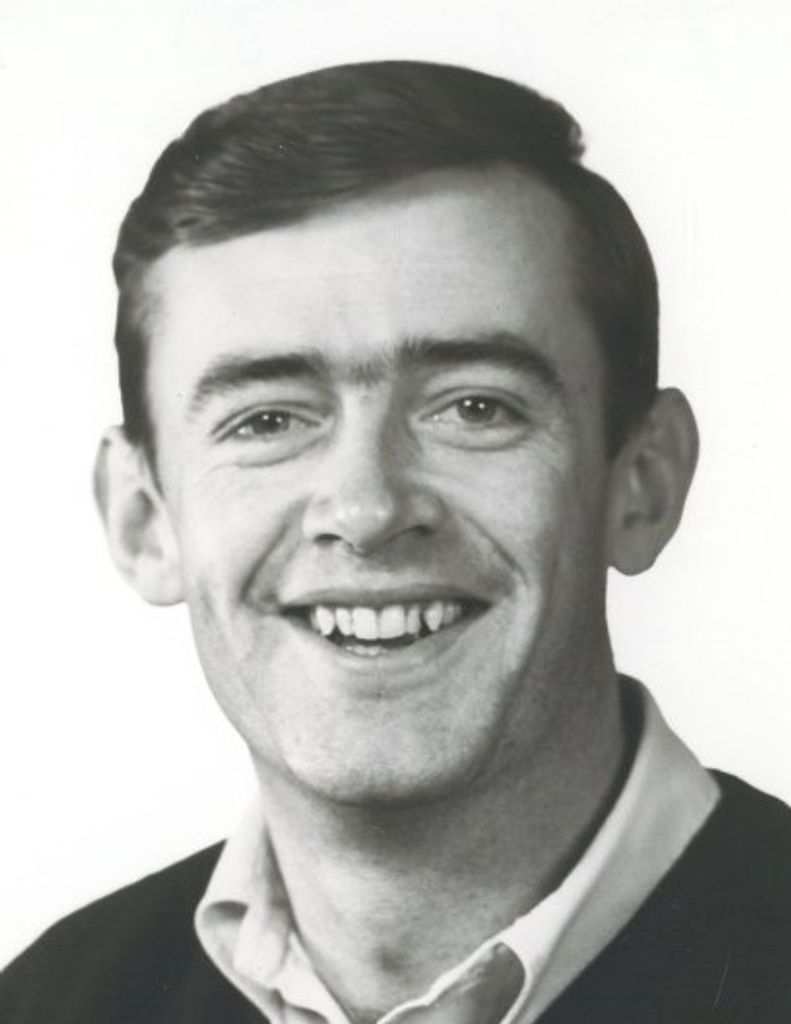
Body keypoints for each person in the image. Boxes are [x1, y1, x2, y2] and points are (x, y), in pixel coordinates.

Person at [1, 60, 789, 1024]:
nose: (367, 509)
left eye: (474, 408)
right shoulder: (48, 1004)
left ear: (645, 482)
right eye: (267, 421)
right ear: (143, 519)